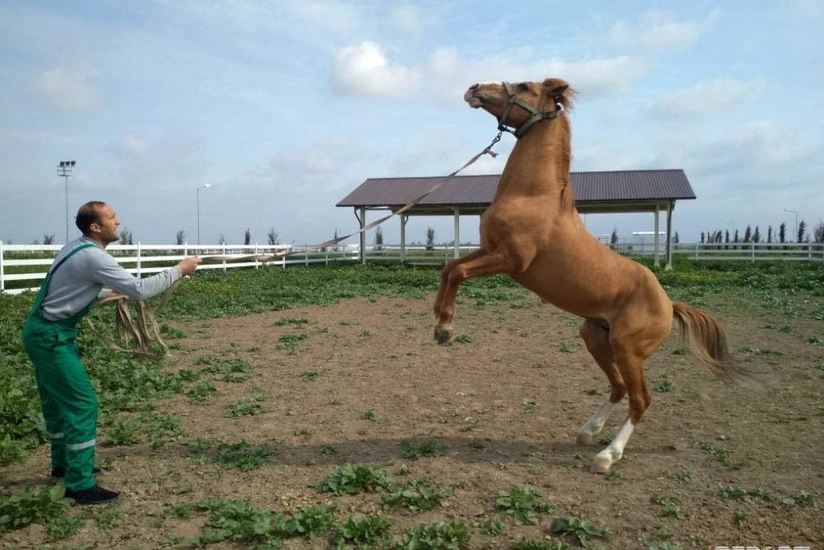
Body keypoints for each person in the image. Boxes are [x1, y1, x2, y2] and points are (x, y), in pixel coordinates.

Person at [21, 201, 201, 505]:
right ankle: (79, 485)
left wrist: (108, 292)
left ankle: (64, 466)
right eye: (112, 217)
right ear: (95, 227)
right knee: (82, 404)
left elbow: (69, 288)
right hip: (52, 336)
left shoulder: (76, 248)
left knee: (56, 401)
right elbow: (140, 289)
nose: (118, 222)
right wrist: (180, 270)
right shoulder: (94, 257)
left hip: (43, 332)